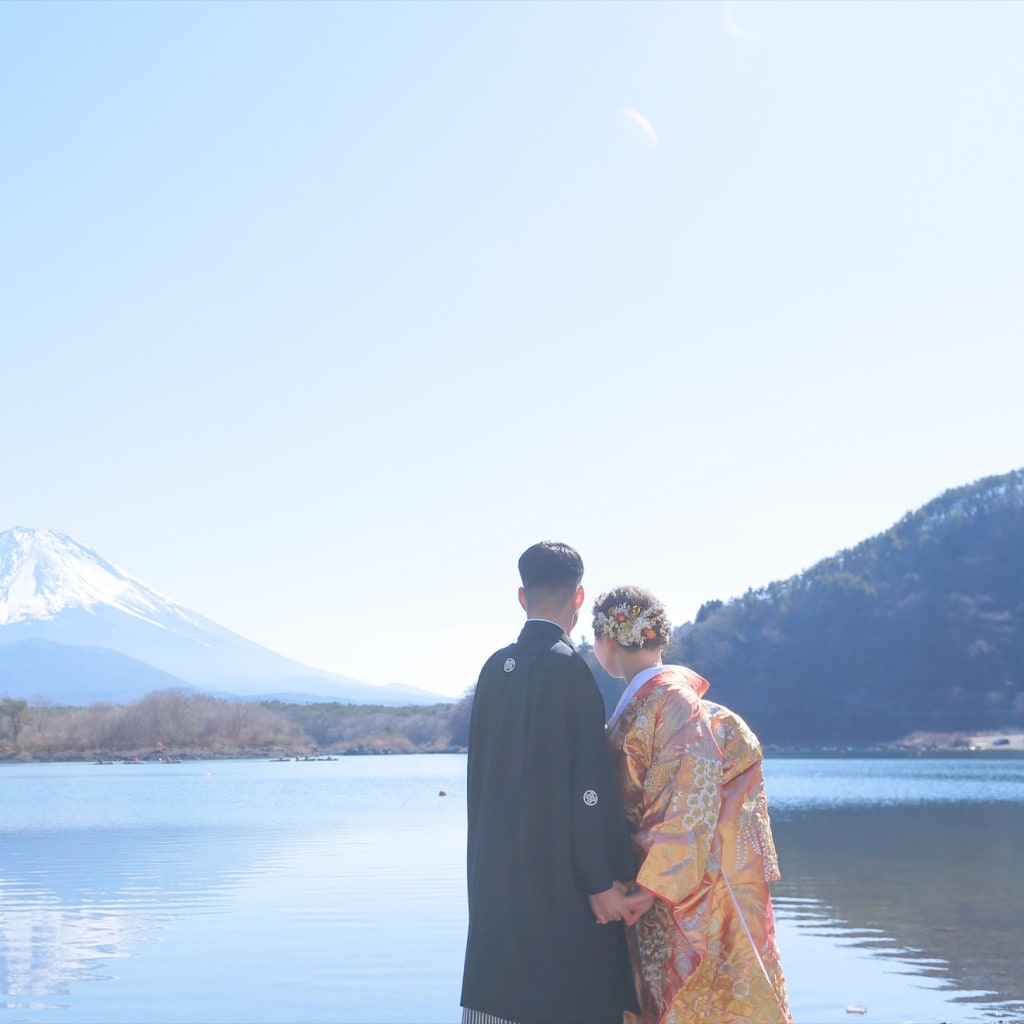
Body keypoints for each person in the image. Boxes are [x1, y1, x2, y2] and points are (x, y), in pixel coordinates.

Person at [592, 585, 792, 1024]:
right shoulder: (657, 701)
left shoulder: (673, 702)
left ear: (605, 642)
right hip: (659, 885)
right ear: (658, 638)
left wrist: (647, 888)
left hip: (682, 892)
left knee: (691, 1001)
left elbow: (690, 801)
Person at [461, 542, 639, 1024]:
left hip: (494, 885)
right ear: (579, 598)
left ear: (522, 597)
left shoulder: (495, 669)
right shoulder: (569, 670)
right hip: (556, 888)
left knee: (495, 1004)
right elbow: (588, 789)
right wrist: (602, 880)